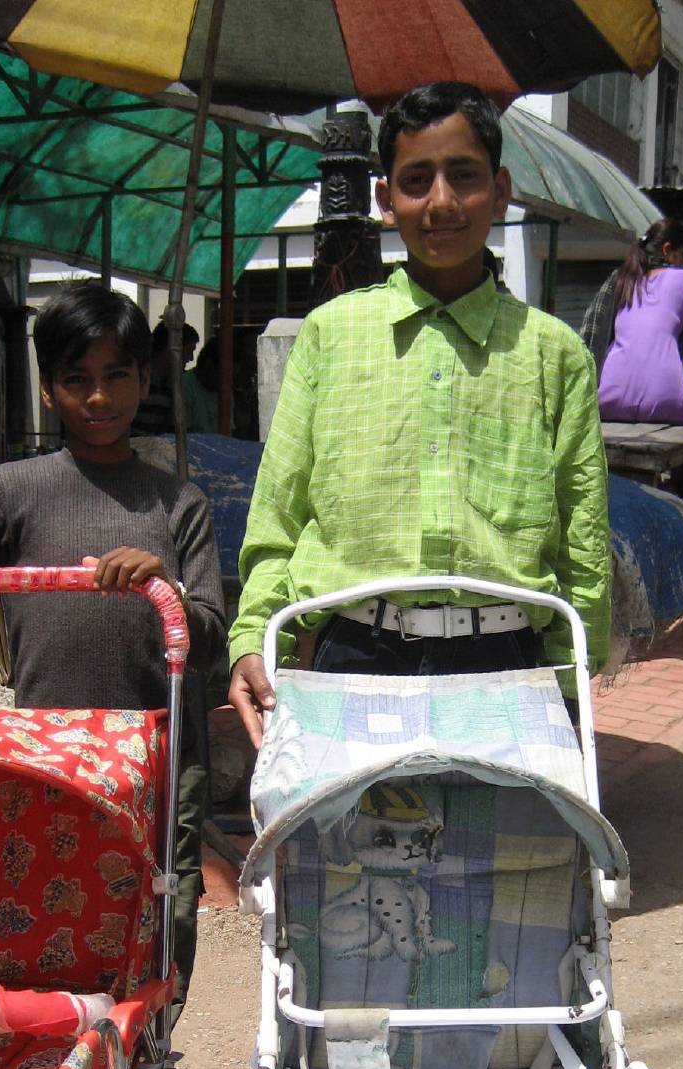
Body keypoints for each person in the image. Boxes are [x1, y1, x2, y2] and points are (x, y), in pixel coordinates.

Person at [227, 81, 612, 746]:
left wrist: (573, 682)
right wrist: (253, 636)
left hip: (506, 661)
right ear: (384, 201)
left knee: (504, 852)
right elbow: (277, 518)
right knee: (346, 850)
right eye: (416, 180)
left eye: (462, 176)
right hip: (353, 656)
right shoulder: (329, 336)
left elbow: (584, 540)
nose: (440, 202)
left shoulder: (555, 356)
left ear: (500, 190)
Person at [0, 282, 226, 1021]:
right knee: (56, 903)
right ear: (49, 391)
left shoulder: (178, 504)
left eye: (116, 376)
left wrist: (164, 589)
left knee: (162, 911)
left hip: (164, 752)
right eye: (77, 380)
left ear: (145, 380)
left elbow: (207, 637)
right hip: (53, 746)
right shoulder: (15, 488)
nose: (98, 397)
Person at [582, 219, 683, 427]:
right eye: (682, 255)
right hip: (666, 402)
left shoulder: (624, 279)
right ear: (667, 250)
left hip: (607, 402)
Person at [132, 321, 199, 435]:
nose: (191, 358)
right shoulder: (137, 379)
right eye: (188, 351)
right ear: (172, 348)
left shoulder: (171, 386)